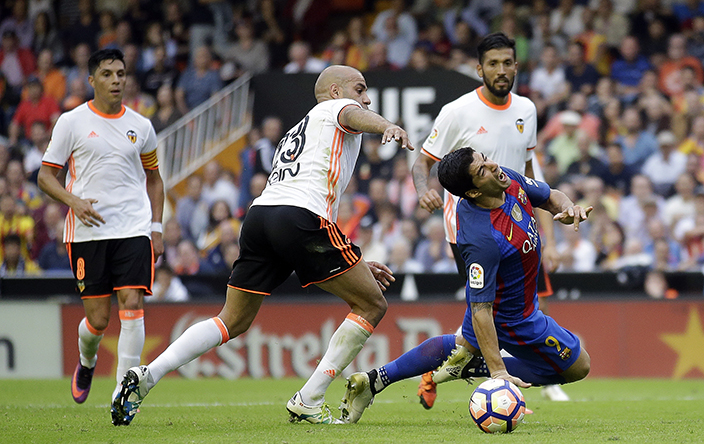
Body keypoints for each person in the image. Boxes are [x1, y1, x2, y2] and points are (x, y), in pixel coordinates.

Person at [110, 65, 413, 426]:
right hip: (299, 216)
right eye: (359, 88)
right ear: (335, 91)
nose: (365, 97)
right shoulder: (332, 110)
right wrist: (387, 125)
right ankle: (310, 398)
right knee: (371, 303)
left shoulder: (298, 131)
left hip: (261, 217)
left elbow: (305, 201)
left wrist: (353, 262)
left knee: (232, 319)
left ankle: (148, 375)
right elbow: (350, 119)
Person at [339, 147, 592, 424]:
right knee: (578, 367)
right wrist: (497, 372)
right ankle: (474, 365)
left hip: (515, 302)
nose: (493, 165)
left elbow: (550, 195)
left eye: (485, 159)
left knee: (459, 346)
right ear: (473, 192)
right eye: (482, 170)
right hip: (511, 318)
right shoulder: (482, 240)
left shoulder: (503, 178)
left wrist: (569, 207)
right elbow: (480, 308)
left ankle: (372, 381)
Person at [411, 31, 565, 405]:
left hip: (518, 218)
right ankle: (509, 378)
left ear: (516, 65)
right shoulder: (457, 111)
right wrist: (422, 190)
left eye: (507, 63)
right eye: (493, 64)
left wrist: (552, 235)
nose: (501, 70)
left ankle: (460, 372)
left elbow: (531, 172)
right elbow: (422, 161)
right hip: (472, 228)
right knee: (488, 311)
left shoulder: (526, 109)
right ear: (479, 68)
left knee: (525, 305)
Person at [36, 49, 164, 414]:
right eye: (107, 74)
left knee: (133, 303)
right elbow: (45, 176)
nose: (116, 80)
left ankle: (125, 395)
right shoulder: (71, 122)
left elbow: (155, 180)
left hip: (133, 228)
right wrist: (73, 201)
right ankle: (87, 362)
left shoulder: (142, 126)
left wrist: (155, 227)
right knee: (98, 320)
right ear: (92, 81)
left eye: (121, 73)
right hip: (88, 232)